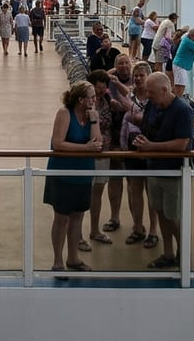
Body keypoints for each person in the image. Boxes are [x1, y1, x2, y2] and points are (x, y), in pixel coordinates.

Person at [131, 72, 194, 269]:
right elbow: (147, 126)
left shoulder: (183, 111)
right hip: (154, 167)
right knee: (160, 211)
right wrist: (142, 141)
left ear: (165, 90)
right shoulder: (154, 104)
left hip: (172, 171)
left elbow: (182, 144)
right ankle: (167, 253)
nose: (147, 96)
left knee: (172, 215)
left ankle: (183, 250)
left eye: (151, 93)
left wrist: (150, 147)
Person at [44, 80, 101, 277]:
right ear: (81, 100)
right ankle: (58, 261)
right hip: (63, 173)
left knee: (78, 216)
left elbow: (97, 143)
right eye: (92, 97)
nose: (95, 99)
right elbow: (58, 143)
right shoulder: (64, 113)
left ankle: (73, 258)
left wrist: (94, 122)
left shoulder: (93, 115)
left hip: (83, 174)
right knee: (62, 218)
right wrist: (85, 148)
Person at [116, 60, 160, 249]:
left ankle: (153, 231)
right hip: (132, 149)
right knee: (135, 189)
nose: (138, 78)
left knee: (151, 192)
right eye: (136, 75)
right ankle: (137, 227)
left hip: (150, 149)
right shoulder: (131, 96)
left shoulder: (156, 99)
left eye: (142, 75)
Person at [83, 70, 124, 252]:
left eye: (103, 88)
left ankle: (94, 230)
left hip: (104, 151)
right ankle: (77, 235)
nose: (100, 92)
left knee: (97, 192)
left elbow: (125, 106)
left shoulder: (107, 101)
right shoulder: (83, 104)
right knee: (83, 192)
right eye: (97, 89)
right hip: (86, 152)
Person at [170, 27, 194, 97]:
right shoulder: (188, 42)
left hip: (179, 65)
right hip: (180, 66)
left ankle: (173, 99)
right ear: (192, 36)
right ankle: (177, 101)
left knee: (178, 85)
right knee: (180, 86)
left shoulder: (187, 40)